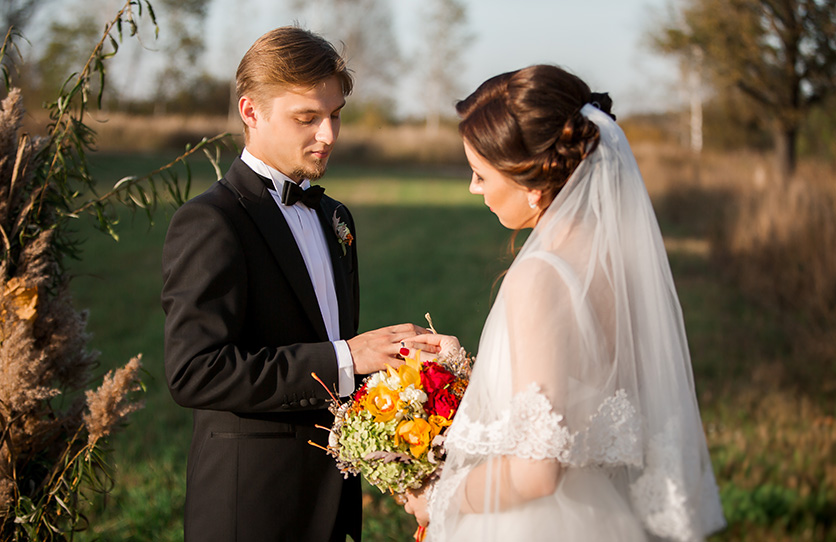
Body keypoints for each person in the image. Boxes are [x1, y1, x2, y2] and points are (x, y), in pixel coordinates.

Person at [401, 65, 726, 541]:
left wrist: (440, 498)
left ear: (532, 183)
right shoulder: (618, 263)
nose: (474, 188)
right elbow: (574, 392)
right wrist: (461, 364)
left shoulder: (541, 275)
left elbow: (536, 471)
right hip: (604, 513)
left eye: (480, 174)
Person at [161, 26, 428, 542]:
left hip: (331, 504)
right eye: (307, 118)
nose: (328, 135)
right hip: (252, 508)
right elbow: (195, 372)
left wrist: (408, 385)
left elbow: (325, 344)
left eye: (334, 116)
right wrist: (348, 357)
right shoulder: (211, 222)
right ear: (251, 112)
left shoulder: (335, 216)